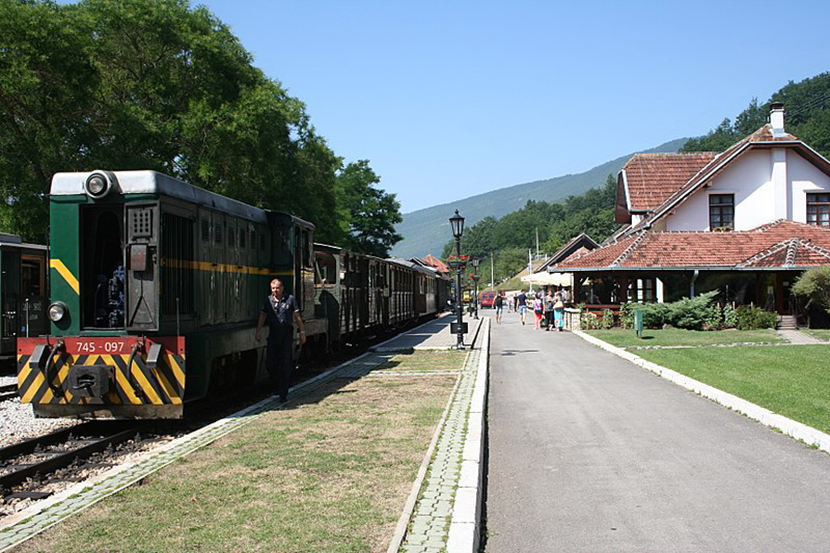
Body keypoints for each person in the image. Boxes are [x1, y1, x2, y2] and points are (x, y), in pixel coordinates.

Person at [256, 278, 306, 402]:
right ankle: (277, 383)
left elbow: (297, 316)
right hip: (273, 335)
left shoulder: (290, 299)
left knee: (285, 363)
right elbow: (263, 315)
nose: (275, 290)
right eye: (273, 288)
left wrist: (302, 332)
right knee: (270, 364)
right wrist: (259, 330)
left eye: (277, 288)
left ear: (282, 288)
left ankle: (283, 393)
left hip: (286, 336)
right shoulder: (268, 300)